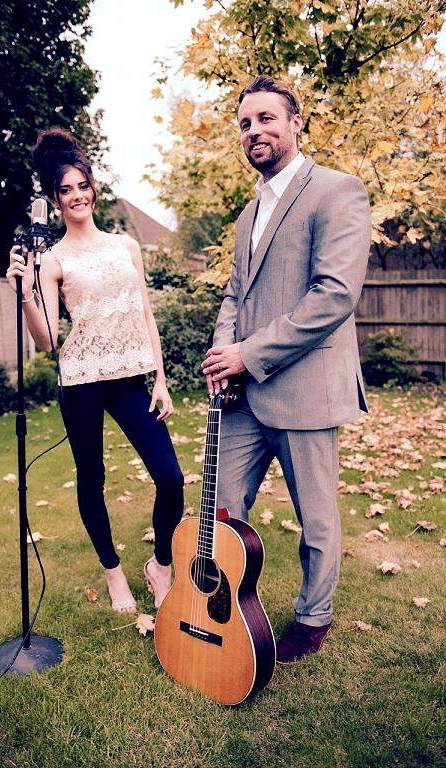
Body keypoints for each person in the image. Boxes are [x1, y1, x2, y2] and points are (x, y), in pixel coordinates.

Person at [201, 76, 371, 663]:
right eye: (245, 123)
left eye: (267, 118)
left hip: (306, 388)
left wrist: (248, 353)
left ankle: (313, 616)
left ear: (296, 122)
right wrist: (223, 354)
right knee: (220, 507)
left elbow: (334, 295)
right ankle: (220, 602)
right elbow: (236, 295)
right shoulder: (248, 213)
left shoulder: (336, 190)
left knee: (316, 519)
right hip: (243, 395)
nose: (255, 131)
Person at [7, 128, 184, 614]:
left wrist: (161, 380)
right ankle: (113, 574)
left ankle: (161, 566)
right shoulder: (52, 260)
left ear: (93, 188)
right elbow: (47, 339)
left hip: (130, 380)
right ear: (55, 200)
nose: (77, 195)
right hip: (80, 381)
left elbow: (145, 313)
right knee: (92, 478)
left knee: (171, 478)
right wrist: (24, 293)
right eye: (66, 190)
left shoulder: (127, 246)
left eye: (82, 185)